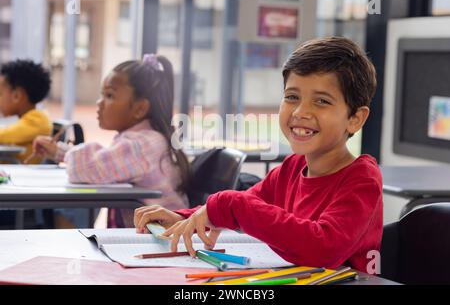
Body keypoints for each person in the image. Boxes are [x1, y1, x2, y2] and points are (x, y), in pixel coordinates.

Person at [134, 37, 383, 273]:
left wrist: (230, 205)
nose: (300, 111)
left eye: (322, 101)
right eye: (292, 97)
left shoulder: (362, 179)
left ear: (355, 119)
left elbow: (322, 248)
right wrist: (182, 218)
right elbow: (244, 204)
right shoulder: (292, 168)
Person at [32, 54, 190, 228]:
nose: (100, 103)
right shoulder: (143, 140)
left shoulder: (141, 146)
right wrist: (57, 152)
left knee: (67, 209)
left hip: (164, 240)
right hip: (150, 237)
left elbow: (85, 168)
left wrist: (62, 153)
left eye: (109, 95)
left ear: (140, 108)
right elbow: (103, 162)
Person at [0, 59, 52, 164]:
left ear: (17, 96)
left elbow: (4, 135)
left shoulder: (38, 119)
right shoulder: (29, 119)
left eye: (0, 94)